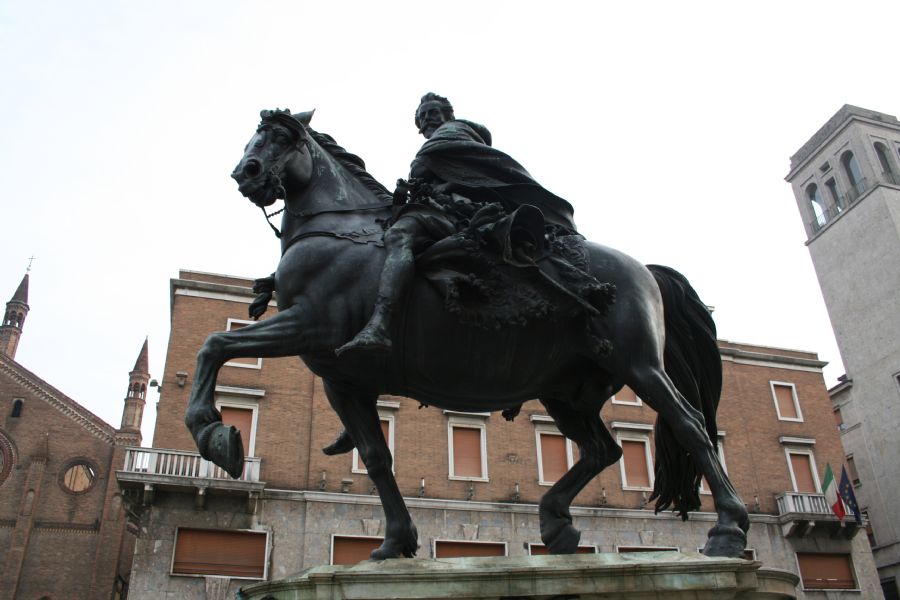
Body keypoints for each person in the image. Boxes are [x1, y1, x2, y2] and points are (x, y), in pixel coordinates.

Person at [335, 93, 578, 356]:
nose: (427, 119)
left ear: (448, 115)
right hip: (448, 209)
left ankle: (380, 324)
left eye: (432, 112)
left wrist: (425, 184)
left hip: (456, 211)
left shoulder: (452, 132)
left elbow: (429, 174)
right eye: (422, 116)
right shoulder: (453, 142)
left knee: (399, 235)